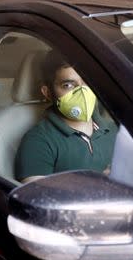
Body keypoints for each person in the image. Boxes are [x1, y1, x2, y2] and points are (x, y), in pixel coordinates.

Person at [14, 51, 117, 182]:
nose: (83, 91)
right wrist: (99, 182)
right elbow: (37, 197)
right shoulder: (38, 141)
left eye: (88, 82)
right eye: (68, 85)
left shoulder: (114, 129)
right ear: (48, 93)